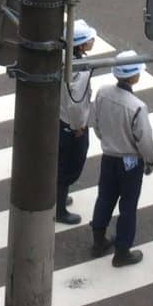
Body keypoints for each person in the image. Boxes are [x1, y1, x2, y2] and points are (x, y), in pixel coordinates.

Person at [90, 50, 153, 267]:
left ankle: (98, 242)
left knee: (104, 198)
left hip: (108, 157)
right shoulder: (137, 106)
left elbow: (96, 123)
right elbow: (144, 141)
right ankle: (122, 252)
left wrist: (106, 140)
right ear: (134, 76)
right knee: (128, 207)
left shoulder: (102, 92)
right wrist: (150, 160)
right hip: (130, 162)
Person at [56, 18, 96, 225]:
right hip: (70, 125)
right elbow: (76, 103)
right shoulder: (80, 70)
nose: (93, 41)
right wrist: (78, 126)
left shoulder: (63, 57)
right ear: (80, 44)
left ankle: (59, 196)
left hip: (59, 119)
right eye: (89, 39)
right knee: (70, 167)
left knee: (60, 163)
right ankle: (60, 208)